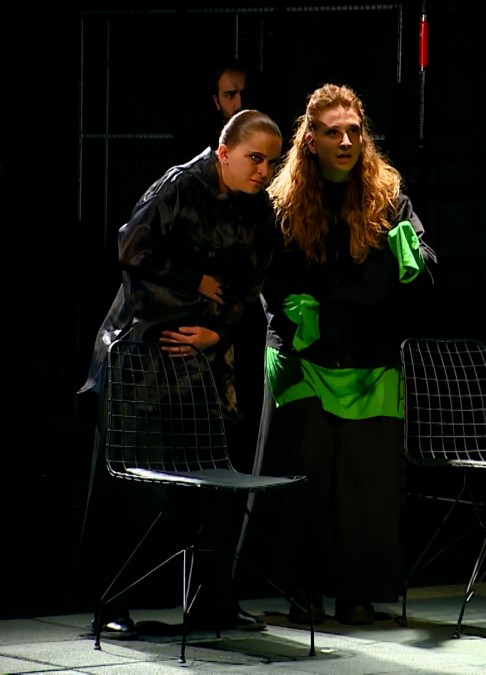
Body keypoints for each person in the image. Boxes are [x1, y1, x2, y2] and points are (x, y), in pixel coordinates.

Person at [75, 109, 284, 639]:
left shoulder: (258, 209)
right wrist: (196, 281)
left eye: (270, 162)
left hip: (203, 359)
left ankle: (214, 602)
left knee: (208, 485)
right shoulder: (180, 186)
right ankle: (113, 604)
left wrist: (219, 332)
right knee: (132, 488)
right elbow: (131, 248)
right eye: (254, 158)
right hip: (143, 353)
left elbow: (252, 284)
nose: (263, 171)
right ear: (225, 153)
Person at [251, 83, 436, 625]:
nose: (347, 141)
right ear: (310, 139)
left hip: (367, 359)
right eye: (334, 132)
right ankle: (301, 590)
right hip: (303, 355)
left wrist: (415, 258)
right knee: (304, 477)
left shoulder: (388, 196)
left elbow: (423, 265)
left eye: (354, 131)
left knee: (366, 483)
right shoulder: (283, 202)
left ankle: (357, 593)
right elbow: (262, 273)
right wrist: (288, 311)